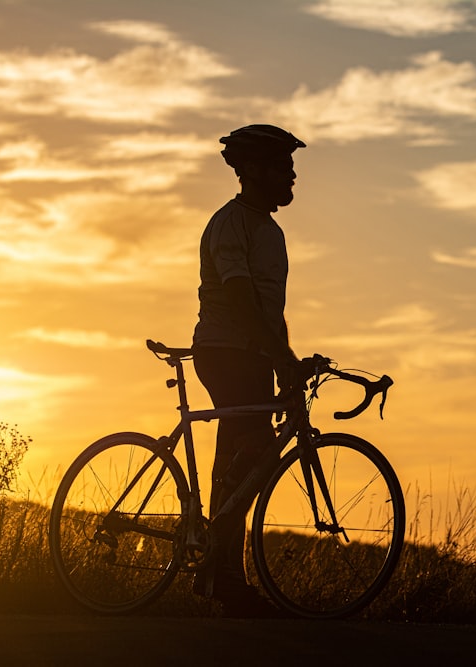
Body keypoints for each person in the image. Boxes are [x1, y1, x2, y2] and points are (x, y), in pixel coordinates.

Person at [191, 124, 305, 617]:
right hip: (224, 349)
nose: (293, 177)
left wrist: (286, 358)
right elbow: (238, 298)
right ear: (254, 171)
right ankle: (216, 554)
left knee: (240, 456)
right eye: (283, 167)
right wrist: (277, 355)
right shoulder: (230, 223)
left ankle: (219, 575)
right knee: (253, 445)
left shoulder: (270, 231)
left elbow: (269, 308)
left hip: (252, 352)